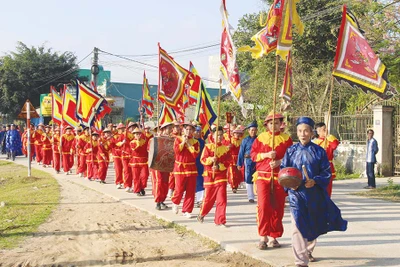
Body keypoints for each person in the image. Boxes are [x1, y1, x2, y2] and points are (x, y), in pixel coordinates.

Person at [281, 117, 347, 267]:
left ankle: (308, 250)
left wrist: (315, 180)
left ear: (311, 132)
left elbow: (326, 172)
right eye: (299, 131)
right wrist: (290, 184)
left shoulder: (319, 151)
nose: (302, 134)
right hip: (296, 195)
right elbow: (283, 171)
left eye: (305, 130)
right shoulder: (291, 151)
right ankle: (300, 261)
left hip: (314, 195)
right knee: (297, 226)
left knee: (312, 225)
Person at [250, 112, 293, 249]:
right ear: (266, 125)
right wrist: (266, 155)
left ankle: (274, 237)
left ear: (280, 124)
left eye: (276, 123)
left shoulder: (287, 139)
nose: (273, 125)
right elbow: (253, 155)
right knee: (263, 206)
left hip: (280, 177)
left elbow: (291, 158)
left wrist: (280, 161)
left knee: (278, 207)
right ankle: (263, 236)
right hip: (263, 177)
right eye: (270, 123)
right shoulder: (261, 138)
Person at [197, 126, 231, 226]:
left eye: (221, 135)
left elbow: (228, 162)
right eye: (217, 135)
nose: (219, 137)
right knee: (208, 199)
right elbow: (202, 159)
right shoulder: (208, 147)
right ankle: (202, 213)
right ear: (213, 135)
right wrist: (211, 160)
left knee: (222, 199)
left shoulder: (225, 149)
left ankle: (220, 220)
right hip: (209, 176)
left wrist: (220, 166)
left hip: (221, 176)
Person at [171, 122, 200, 218]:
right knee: (179, 189)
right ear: (183, 130)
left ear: (193, 131)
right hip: (180, 168)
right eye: (187, 129)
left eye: (190, 129)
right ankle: (175, 202)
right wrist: (183, 142)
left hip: (191, 168)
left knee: (190, 190)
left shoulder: (196, 142)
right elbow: (176, 151)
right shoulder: (178, 139)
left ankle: (187, 210)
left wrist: (188, 143)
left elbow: (195, 154)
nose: (188, 131)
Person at [151, 122, 173, 210]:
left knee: (165, 182)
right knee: (159, 182)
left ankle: (162, 200)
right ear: (163, 129)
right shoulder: (156, 139)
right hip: (157, 164)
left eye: (171, 128)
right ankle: (157, 201)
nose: (170, 130)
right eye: (168, 128)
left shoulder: (171, 139)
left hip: (166, 164)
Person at [313, 122, 340, 197]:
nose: (326, 131)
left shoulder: (329, 140)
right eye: (323, 130)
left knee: (328, 187)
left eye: (326, 129)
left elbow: (335, 145)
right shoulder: (315, 142)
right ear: (318, 131)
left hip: (328, 166)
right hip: (318, 166)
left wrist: (328, 136)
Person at [237, 121, 258, 203]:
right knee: (248, 178)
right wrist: (239, 163)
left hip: (257, 161)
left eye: (255, 130)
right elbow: (241, 152)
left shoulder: (259, 139)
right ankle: (250, 196)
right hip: (248, 161)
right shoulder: (245, 140)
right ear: (249, 131)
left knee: (258, 177)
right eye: (252, 130)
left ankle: (258, 194)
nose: (253, 132)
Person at [129, 127, 149, 196]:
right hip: (135, 161)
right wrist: (138, 142)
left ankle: (142, 187)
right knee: (136, 176)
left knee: (145, 175)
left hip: (144, 161)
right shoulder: (132, 142)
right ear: (134, 135)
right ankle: (137, 190)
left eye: (139, 134)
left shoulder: (145, 141)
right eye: (136, 134)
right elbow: (135, 150)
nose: (138, 135)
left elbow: (148, 150)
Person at [224, 126, 244, 193]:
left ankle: (237, 184)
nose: (237, 135)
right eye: (236, 133)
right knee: (232, 172)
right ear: (233, 134)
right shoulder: (229, 140)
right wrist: (228, 147)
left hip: (239, 158)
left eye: (239, 133)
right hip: (231, 158)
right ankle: (233, 186)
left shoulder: (242, 141)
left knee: (238, 173)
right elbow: (224, 148)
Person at [193, 124, 205, 207]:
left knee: (200, 181)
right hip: (191, 164)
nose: (198, 133)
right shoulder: (190, 141)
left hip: (200, 164)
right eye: (196, 131)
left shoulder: (202, 142)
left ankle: (199, 200)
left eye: (199, 131)